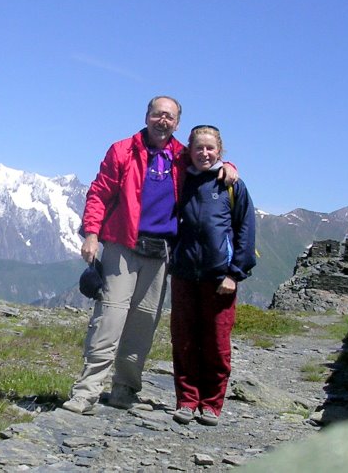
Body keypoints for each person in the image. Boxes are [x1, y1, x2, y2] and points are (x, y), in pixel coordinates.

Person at [62, 97, 237, 415]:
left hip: (161, 252)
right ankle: (86, 393)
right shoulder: (122, 150)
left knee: (143, 323)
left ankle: (125, 389)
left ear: (177, 123)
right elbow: (100, 192)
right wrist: (91, 233)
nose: (163, 120)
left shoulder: (182, 156)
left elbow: (208, 165)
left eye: (170, 117)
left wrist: (229, 167)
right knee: (109, 319)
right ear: (147, 116)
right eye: (158, 114)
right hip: (122, 245)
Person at [169, 125, 256, 426]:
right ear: (189, 151)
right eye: (198, 148)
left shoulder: (232, 185)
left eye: (210, 148)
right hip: (183, 274)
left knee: (217, 343)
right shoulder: (180, 181)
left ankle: (212, 403)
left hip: (219, 278)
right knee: (183, 341)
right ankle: (186, 400)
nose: (204, 153)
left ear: (220, 151)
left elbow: (245, 230)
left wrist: (236, 273)